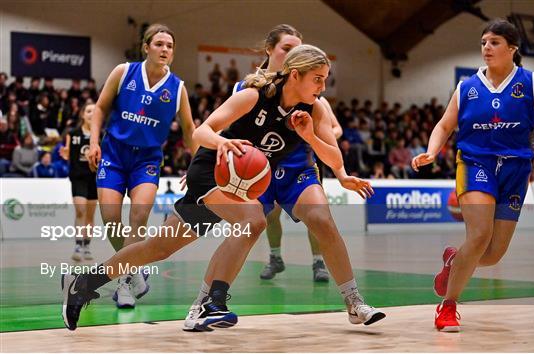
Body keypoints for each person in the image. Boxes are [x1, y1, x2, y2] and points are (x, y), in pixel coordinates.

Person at [61, 44, 385, 332]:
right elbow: (202, 132)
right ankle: (213, 302)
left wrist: (310, 136)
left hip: (240, 184)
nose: (323, 86)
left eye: (326, 79)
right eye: (318, 78)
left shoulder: (312, 110)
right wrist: (224, 142)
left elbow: (333, 155)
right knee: (254, 221)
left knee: (158, 248)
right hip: (211, 170)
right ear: (296, 75)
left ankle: (84, 283)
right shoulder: (255, 95)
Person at [412, 19, 534, 332]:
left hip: (516, 168)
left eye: (494, 42)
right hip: (475, 163)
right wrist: (432, 150)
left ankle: (454, 261)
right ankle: (448, 306)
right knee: (480, 236)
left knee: (493, 254)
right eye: (483, 42)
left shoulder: (532, 82)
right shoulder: (467, 86)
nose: (486, 48)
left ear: (512, 48)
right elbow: (444, 125)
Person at [86, 23, 196, 308]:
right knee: (111, 219)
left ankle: (124, 283)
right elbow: (100, 108)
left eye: (169, 46)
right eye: (159, 44)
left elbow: (189, 131)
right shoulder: (124, 72)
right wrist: (94, 142)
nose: (165, 49)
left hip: (146, 160)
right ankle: (134, 269)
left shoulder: (178, 88)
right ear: (146, 47)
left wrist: (198, 165)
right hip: (113, 154)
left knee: (139, 216)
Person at [232, 24, 342, 282]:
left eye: (298, 49)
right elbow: (226, 131)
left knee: (317, 217)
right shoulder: (248, 90)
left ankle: (318, 263)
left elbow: (333, 131)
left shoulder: (313, 96)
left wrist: (317, 141)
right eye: (287, 48)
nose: (293, 53)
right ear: (269, 49)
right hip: (263, 163)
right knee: (266, 217)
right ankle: (274, 257)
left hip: (299, 162)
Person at [60, 103, 98, 261]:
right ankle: (78, 244)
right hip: (78, 177)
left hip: (94, 178)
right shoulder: (73, 133)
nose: (91, 113)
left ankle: (87, 245)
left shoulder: (100, 135)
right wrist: (65, 153)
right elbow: (67, 152)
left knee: (90, 214)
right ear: (83, 114)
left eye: (95, 111)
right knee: (80, 210)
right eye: (88, 110)